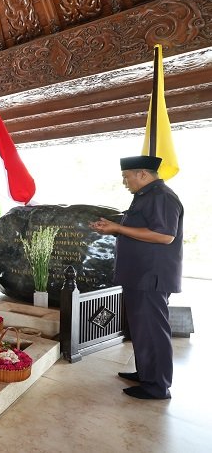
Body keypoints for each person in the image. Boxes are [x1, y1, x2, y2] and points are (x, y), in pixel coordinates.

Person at [90, 155, 183, 400]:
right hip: (139, 275)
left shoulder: (161, 196)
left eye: (126, 177)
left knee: (153, 330)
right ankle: (146, 373)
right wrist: (114, 225)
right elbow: (141, 228)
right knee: (143, 329)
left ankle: (157, 385)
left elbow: (164, 235)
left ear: (142, 174)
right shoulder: (146, 196)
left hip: (150, 277)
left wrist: (118, 228)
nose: (124, 182)